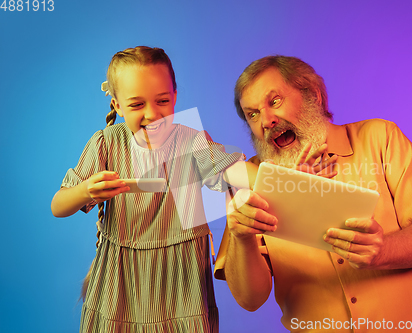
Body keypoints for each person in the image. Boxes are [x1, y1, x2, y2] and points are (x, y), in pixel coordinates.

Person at [51, 47, 333, 333]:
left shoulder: (191, 140)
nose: (152, 114)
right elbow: (58, 206)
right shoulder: (105, 143)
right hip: (121, 281)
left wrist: (290, 177)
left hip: (180, 283)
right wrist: (87, 190)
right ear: (117, 105)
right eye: (137, 105)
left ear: (175, 96)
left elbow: (235, 172)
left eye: (162, 101)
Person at [215, 55, 412, 332]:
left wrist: (383, 251)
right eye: (253, 114)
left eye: (275, 101)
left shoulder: (381, 138)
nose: (266, 121)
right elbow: (250, 300)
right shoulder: (247, 181)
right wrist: (241, 237)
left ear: (315, 96)